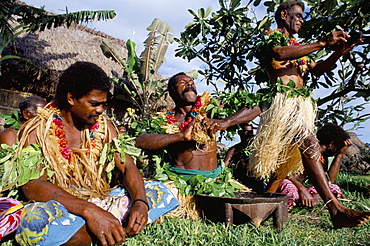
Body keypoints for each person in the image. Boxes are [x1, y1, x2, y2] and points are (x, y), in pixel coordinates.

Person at [0, 62, 178, 246]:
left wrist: (140, 203)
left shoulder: (105, 127)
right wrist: (89, 211)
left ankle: (97, 228)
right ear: (71, 98)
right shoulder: (37, 130)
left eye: (103, 104)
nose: (100, 110)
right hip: (60, 207)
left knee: (160, 191)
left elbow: (127, 166)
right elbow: (34, 186)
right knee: (35, 223)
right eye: (94, 104)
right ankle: (104, 227)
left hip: (99, 199)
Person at [248, 0, 370, 228]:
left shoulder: (300, 48)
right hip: (282, 105)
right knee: (310, 143)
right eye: (298, 15)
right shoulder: (272, 37)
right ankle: (336, 210)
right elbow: (280, 53)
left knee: (282, 167)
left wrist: (341, 51)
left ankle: (259, 213)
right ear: (284, 15)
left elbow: (320, 69)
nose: (302, 20)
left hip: (300, 106)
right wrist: (324, 42)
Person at [135, 72, 260, 179]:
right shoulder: (163, 120)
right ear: (172, 92)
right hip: (178, 182)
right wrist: (180, 136)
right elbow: (139, 141)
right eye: (183, 82)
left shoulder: (211, 107)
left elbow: (255, 106)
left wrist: (226, 121)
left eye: (191, 82)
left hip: (213, 181)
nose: (189, 84)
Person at [277, 124, 350, 208]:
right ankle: (295, 202)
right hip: (291, 184)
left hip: (306, 190)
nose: (338, 151)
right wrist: (301, 189)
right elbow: (286, 173)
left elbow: (329, 181)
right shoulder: (304, 148)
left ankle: (300, 202)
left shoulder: (325, 159)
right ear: (331, 144)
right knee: (289, 188)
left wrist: (340, 154)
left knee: (334, 188)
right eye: (339, 147)